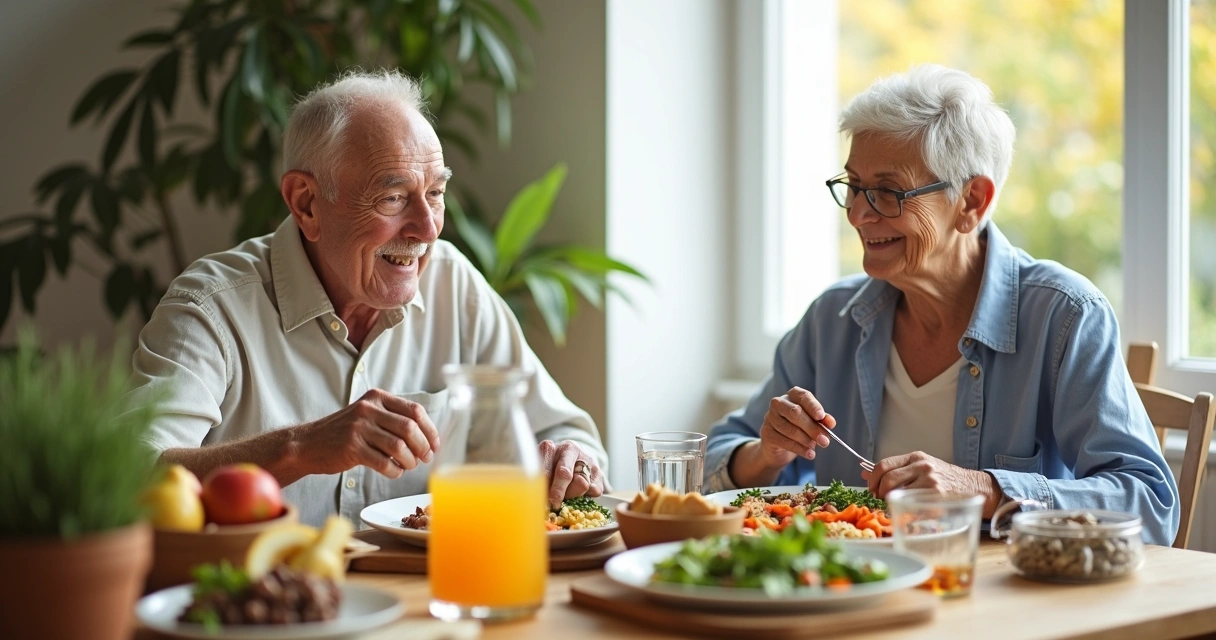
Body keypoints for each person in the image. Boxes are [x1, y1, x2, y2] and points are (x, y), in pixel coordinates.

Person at [704, 64, 1179, 545]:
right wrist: (766, 454)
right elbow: (713, 458)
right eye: (854, 185)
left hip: (995, 588)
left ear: (971, 201)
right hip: (851, 582)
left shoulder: (1065, 316)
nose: (858, 214)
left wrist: (985, 489)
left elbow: (1149, 501)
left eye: (887, 191)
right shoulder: (833, 320)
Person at [126, 70, 607, 526]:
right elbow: (128, 477)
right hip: (261, 583)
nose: (427, 228)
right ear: (306, 203)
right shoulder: (212, 307)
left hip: (434, 583)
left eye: (435, 193)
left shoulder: (454, 285)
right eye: (393, 198)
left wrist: (569, 459)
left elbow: (562, 433)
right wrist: (300, 448)